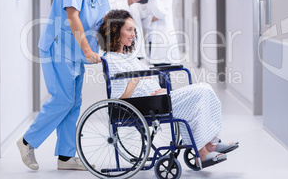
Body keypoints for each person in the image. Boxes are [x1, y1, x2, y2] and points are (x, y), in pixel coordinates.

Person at [16, 0, 118, 171]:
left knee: (74, 103)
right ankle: (27, 141)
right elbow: (72, 16)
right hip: (59, 46)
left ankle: (65, 156)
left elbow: (103, 17)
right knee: (63, 99)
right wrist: (87, 49)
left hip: (77, 51)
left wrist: (111, 45)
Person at [97, 9, 238, 166]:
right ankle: (203, 151)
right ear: (116, 32)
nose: (133, 34)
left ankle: (209, 145)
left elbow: (148, 76)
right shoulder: (112, 60)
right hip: (145, 105)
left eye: (134, 30)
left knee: (203, 95)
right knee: (203, 89)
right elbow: (120, 100)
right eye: (129, 30)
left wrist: (158, 89)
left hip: (157, 97)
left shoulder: (127, 57)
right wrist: (135, 80)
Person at [141, 0, 180, 66]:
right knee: (154, 74)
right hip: (150, 38)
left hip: (163, 38)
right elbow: (143, 17)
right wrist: (151, 18)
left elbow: (162, 14)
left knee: (164, 74)